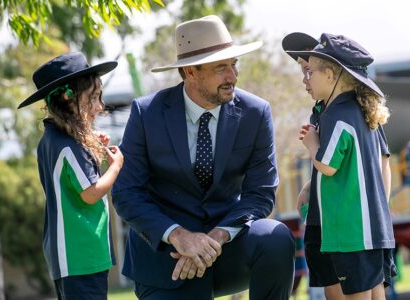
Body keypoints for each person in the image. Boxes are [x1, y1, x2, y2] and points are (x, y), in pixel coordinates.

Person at [111, 15, 295, 299]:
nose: (232, 76)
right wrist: (179, 236)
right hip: (167, 262)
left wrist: (215, 238)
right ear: (190, 71)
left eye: (234, 65)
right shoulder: (146, 114)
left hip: (226, 250)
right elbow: (126, 193)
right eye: (221, 68)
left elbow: (260, 193)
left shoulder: (255, 113)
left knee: (275, 238)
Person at [283, 32, 393, 300]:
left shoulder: (342, 113)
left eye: (310, 71)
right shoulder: (341, 112)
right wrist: (312, 187)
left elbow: (332, 165)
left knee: (354, 290)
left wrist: (311, 145)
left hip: (347, 227)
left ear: (330, 74)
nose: (305, 79)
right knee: (365, 287)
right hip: (342, 225)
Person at [18, 52, 124, 299]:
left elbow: (70, 181)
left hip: (68, 257)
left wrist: (92, 149)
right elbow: (91, 193)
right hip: (81, 253)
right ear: (69, 101)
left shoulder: (51, 140)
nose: (100, 107)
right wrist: (116, 166)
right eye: (94, 98)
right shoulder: (70, 145)